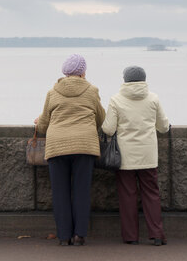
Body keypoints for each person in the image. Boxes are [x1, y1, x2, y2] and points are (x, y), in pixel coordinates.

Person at [35, 54, 105, 246]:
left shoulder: (52, 92)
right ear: (83, 72)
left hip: (57, 145)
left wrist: (38, 122)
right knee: (81, 190)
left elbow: (43, 125)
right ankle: (80, 234)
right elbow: (101, 120)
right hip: (84, 145)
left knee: (60, 192)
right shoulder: (92, 90)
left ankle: (64, 236)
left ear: (64, 72)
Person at [101, 66, 170, 246]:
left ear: (125, 80)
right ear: (144, 79)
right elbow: (163, 126)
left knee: (127, 195)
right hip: (148, 155)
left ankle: (131, 237)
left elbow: (108, 129)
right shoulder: (153, 98)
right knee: (152, 194)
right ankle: (156, 235)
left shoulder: (116, 100)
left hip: (125, 156)